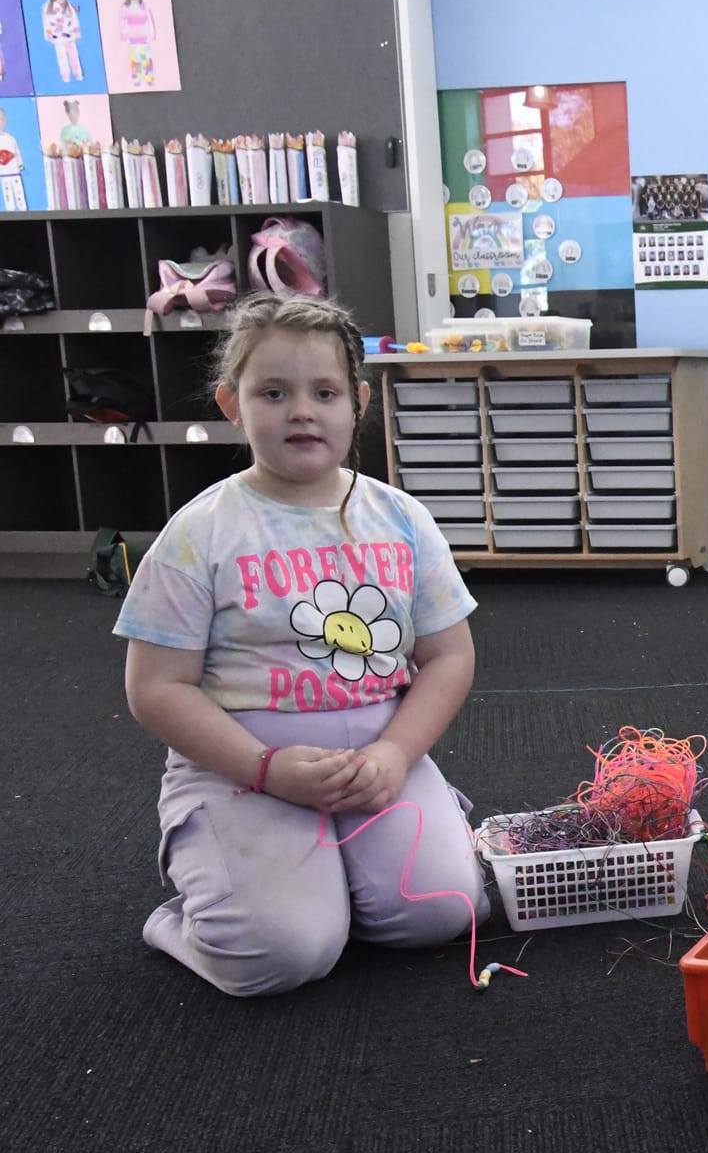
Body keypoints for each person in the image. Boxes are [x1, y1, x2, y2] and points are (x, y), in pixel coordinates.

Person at [115, 295, 489, 997]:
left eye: (325, 392)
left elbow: (448, 657)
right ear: (232, 402)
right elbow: (155, 687)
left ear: (359, 403)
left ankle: (332, 878)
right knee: (281, 955)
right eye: (273, 392)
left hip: (379, 759)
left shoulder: (401, 518)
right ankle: (185, 917)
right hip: (245, 765)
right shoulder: (201, 533)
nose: (302, 411)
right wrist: (266, 769)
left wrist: (395, 754)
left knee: (443, 912)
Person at [117, 0, 157, 88]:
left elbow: (150, 20)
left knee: (146, 60)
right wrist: (124, 33)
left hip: (145, 39)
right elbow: (121, 22)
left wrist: (152, 34)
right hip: (132, 40)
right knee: (135, 61)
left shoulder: (145, 5)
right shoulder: (124, 7)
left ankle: (149, 78)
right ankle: (137, 79)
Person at [41, 0, 82, 84]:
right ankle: (66, 77)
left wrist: (76, 30)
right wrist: (48, 34)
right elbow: (46, 22)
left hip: (70, 35)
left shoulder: (67, 3)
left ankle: (78, 74)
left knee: (74, 55)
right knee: (62, 58)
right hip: (57, 37)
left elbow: (74, 17)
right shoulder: (47, 6)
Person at [0, 111, 27, 213]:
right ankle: (10, 208)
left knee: (18, 191)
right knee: (7, 192)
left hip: (14, 171)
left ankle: (22, 208)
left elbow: (17, 152)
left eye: (1, 119)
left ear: (5, 121)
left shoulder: (10, 138)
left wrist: (20, 164)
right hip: (3, 173)